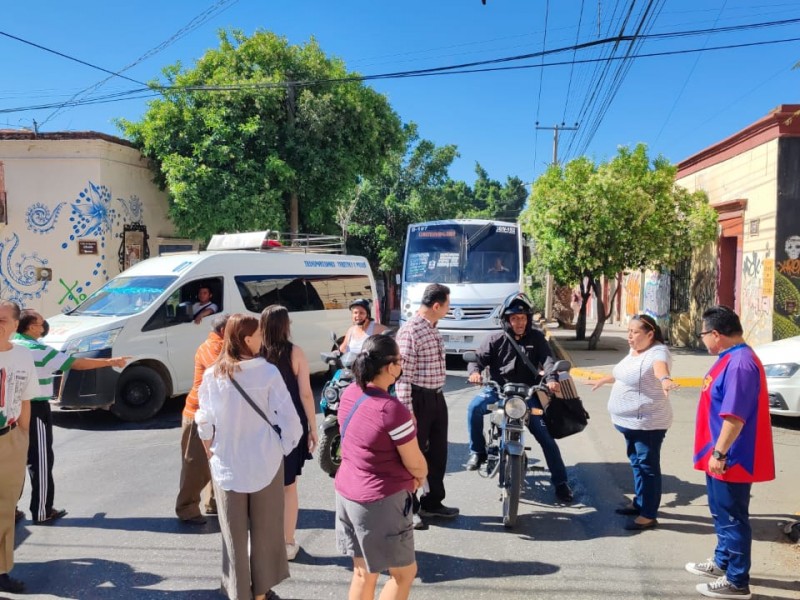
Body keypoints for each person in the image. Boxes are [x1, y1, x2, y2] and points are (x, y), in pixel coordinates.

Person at [196, 313, 302, 600]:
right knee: (266, 532)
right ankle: (261, 591)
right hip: (265, 462)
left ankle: (239, 592)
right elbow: (291, 421)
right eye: (258, 335)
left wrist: (212, 451)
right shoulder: (267, 373)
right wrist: (281, 447)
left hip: (228, 465)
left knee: (233, 536)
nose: (262, 339)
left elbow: (203, 421)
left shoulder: (213, 375)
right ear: (246, 339)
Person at [684, 306, 774, 600]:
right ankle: (722, 562)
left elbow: (734, 416)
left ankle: (737, 581)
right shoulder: (729, 358)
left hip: (732, 458)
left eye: (703, 334)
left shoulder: (740, 364)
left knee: (732, 517)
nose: (703, 340)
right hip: (719, 456)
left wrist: (720, 454)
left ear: (715, 334)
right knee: (720, 513)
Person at [12, 309, 131, 525]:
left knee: (15, 460)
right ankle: (42, 511)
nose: (44, 326)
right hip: (35, 409)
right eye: (40, 323)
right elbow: (75, 364)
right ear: (30, 327)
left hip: (12, 410)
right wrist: (110, 361)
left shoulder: (12, 345)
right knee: (40, 461)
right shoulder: (37, 349)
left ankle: (10, 509)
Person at [334, 334, 427, 600]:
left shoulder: (350, 393)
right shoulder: (391, 409)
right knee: (404, 574)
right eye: (400, 361)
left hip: (347, 492)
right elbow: (415, 462)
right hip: (380, 500)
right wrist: (420, 476)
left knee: (363, 573)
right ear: (390, 367)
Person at [465, 293, 575, 504]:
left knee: (546, 438)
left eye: (523, 318)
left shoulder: (537, 338)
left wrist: (552, 378)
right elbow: (476, 360)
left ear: (528, 319)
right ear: (506, 320)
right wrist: (475, 372)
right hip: (498, 392)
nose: (519, 322)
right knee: (474, 408)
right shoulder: (495, 340)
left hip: (527, 394)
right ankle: (478, 452)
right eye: (514, 318)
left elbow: (549, 361)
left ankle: (561, 483)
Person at [590, 313, 678, 530]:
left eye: (635, 332)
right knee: (637, 463)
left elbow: (660, 369)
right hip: (630, 424)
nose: (629, 336)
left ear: (650, 334)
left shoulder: (657, 352)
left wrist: (665, 380)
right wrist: (606, 378)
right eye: (628, 331)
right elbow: (627, 372)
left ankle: (648, 515)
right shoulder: (637, 350)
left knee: (648, 467)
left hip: (647, 424)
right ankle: (640, 502)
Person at [396, 283, 459, 527]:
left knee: (438, 453)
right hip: (418, 399)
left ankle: (433, 502)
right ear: (436, 305)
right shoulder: (410, 331)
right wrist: (407, 412)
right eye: (447, 305)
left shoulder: (432, 328)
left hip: (436, 397)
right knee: (413, 454)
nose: (448, 309)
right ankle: (409, 508)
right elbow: (403, 375)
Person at [259, 304, 318, 561]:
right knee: (289, 487)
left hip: (261, 425)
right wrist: (312, 427)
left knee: (261, 486)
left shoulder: (254, 353)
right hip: (290, 426)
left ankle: (264, 541)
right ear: (285, 326)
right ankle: (287, 542)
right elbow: (305, 393)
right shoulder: (295, 352)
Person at [175, 312, 230, 525]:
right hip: (199, 414)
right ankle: (186, 508)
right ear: (224, 331)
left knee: (214, 461)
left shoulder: (222, 346)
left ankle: (214, 502)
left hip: (214, 414)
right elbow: (225, 372)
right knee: (195, 465)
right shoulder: (212, 348)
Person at [0, 301, 38, 594]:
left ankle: (2, 571)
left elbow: (26, 398)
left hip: (11, 437)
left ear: (15, 325)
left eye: (1, 320)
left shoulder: (23, 355)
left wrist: (23, 436)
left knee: (5, 508)